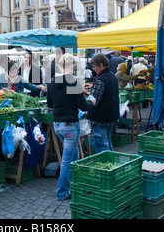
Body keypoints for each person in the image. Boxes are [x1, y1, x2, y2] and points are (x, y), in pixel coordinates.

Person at [46, 53, 96, 200]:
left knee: (73, 155)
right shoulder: (73, 82)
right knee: (67, 159)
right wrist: (92, 101)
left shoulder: (52, 82)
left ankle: (74, 185)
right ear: (72, 65)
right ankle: (62, 192)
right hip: (69, 125)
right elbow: (83, 105)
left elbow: (50, 104)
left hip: (58, 125)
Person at [85, 53, 120, 153]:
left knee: (102, 145)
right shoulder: (112, 76)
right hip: (110, 116)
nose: (94, 69)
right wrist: (93, 87)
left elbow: (94, 101)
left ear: (101, 65)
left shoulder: (101, 80)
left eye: (95, 66)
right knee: (107, 143)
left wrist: (85, 103)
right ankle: (112, 166)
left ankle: (105, 167)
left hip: (100, 118)